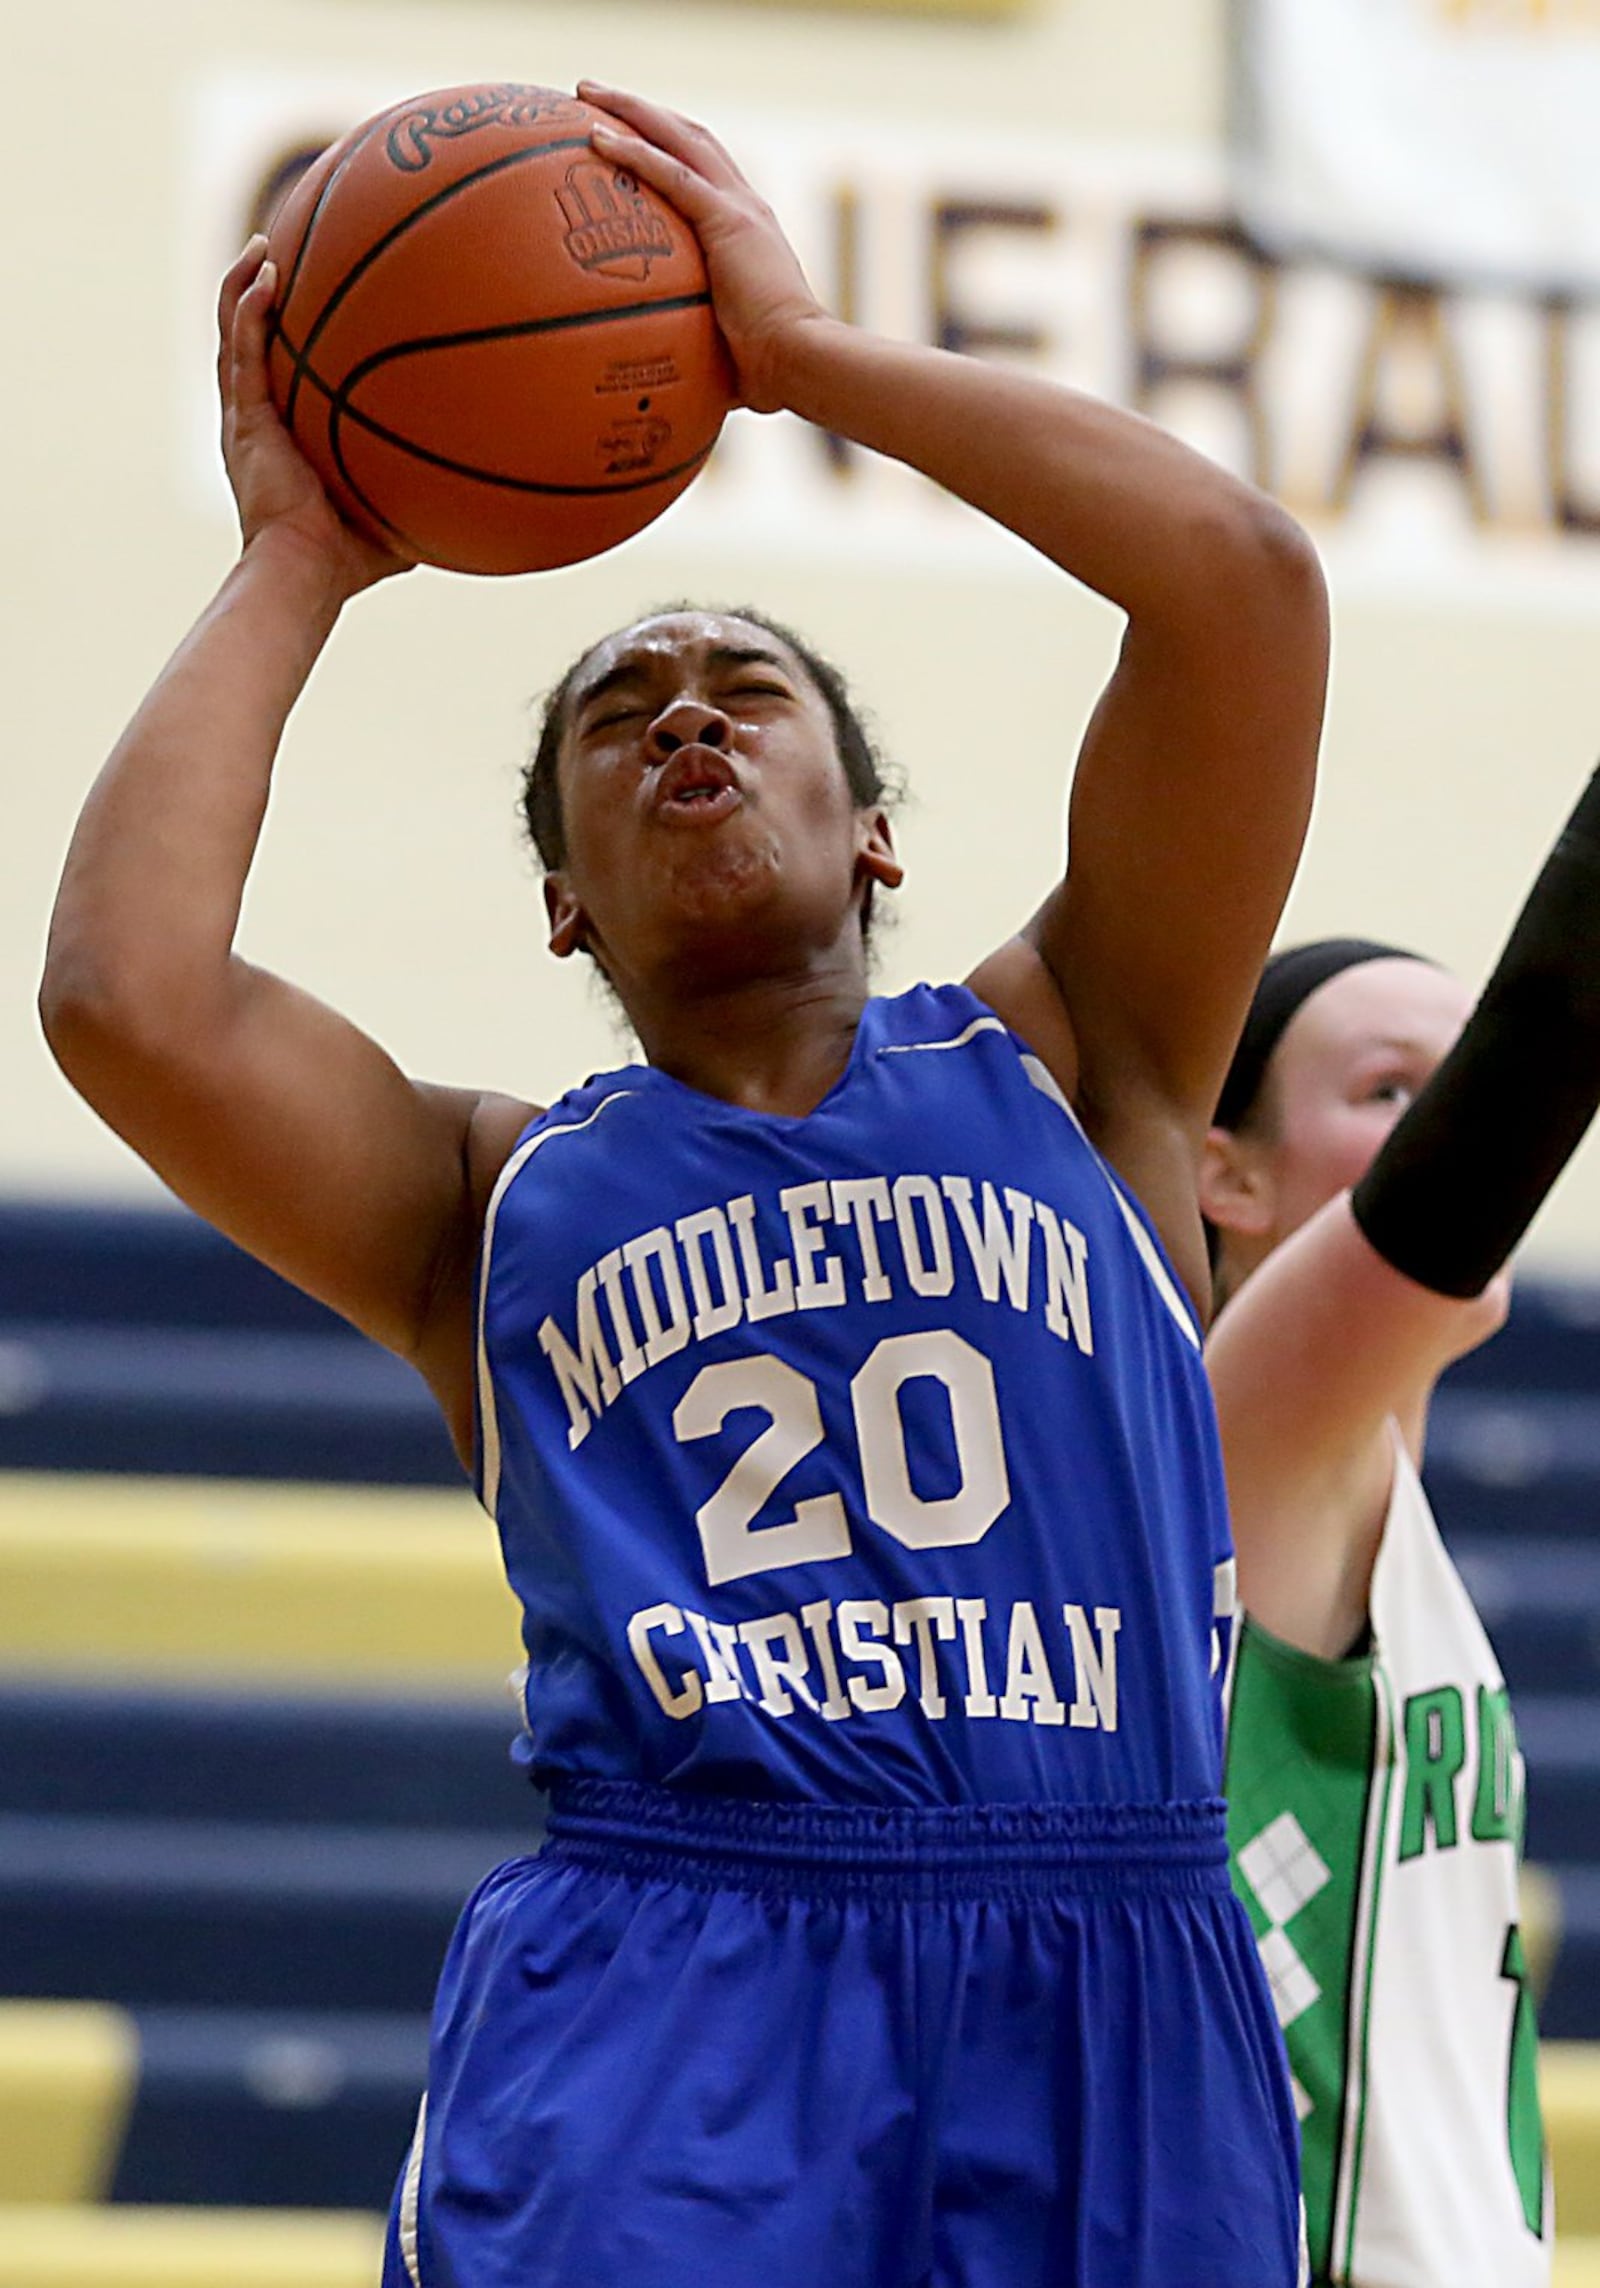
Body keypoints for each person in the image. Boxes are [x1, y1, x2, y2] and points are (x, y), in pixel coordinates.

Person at [40, 82, 1329, 2288]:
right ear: (563, 906)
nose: (686, 723)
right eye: (621, 721)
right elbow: (123, 999)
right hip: (674, 1973)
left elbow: (1232, 585)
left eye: (744, 691)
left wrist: (806, 363)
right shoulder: (483, 1193)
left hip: (1111, 1938)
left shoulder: (1082, 1054)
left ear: (876, 837)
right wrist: (297, 559)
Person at [1201, 779, 1600, 2286]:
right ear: (1218, 1175)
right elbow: (1537, 1052)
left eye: (1451, 1082)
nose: (1450, 1128)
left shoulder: (1392, 1529)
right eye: (1391, 1093)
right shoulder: (1235, 1446)